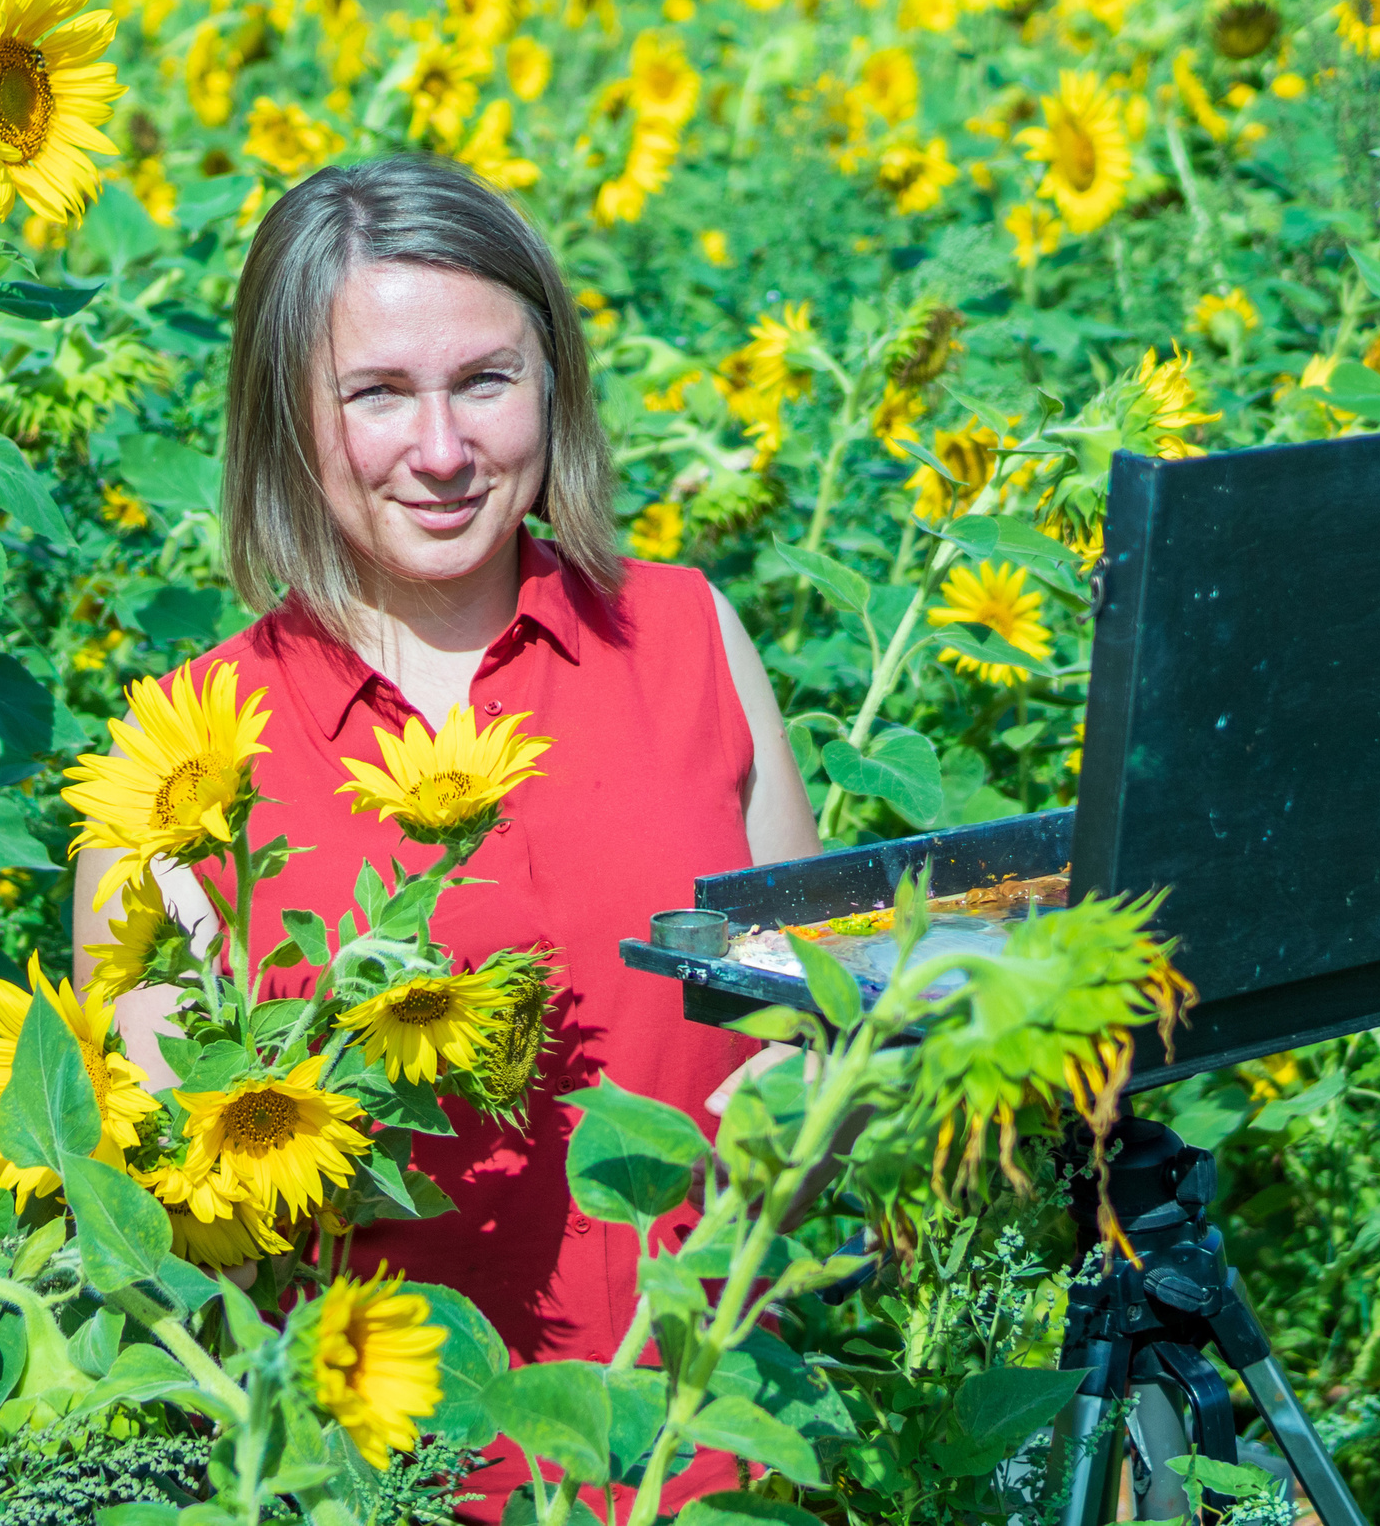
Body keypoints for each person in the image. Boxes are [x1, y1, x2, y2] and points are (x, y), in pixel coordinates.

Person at [70, 153, 819, 1514]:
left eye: (485, 381)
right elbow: (176, 1226)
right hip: (376, 1482)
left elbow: (813, 1033)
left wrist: (820, 1085)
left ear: (554, 387)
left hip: (701, 1456)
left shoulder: (688, 638)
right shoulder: (181, 763)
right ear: (286, 421)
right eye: (375, 395)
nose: (440, 450)